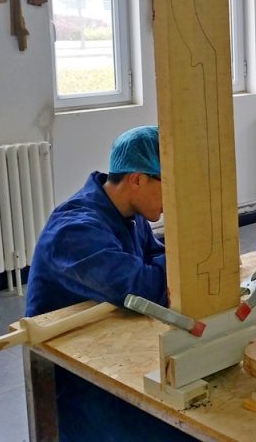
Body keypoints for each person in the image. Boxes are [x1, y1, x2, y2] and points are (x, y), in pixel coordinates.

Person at [26, 125, 195, 442]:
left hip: (110, 344)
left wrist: (174, 259)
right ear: (137, 179)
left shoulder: (130, 214)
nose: (175, 200)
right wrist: (185, 254)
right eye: (170, 186)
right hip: (75, 374)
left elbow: (158, 259)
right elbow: (146, 288)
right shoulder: (74, 231)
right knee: (181, 431)